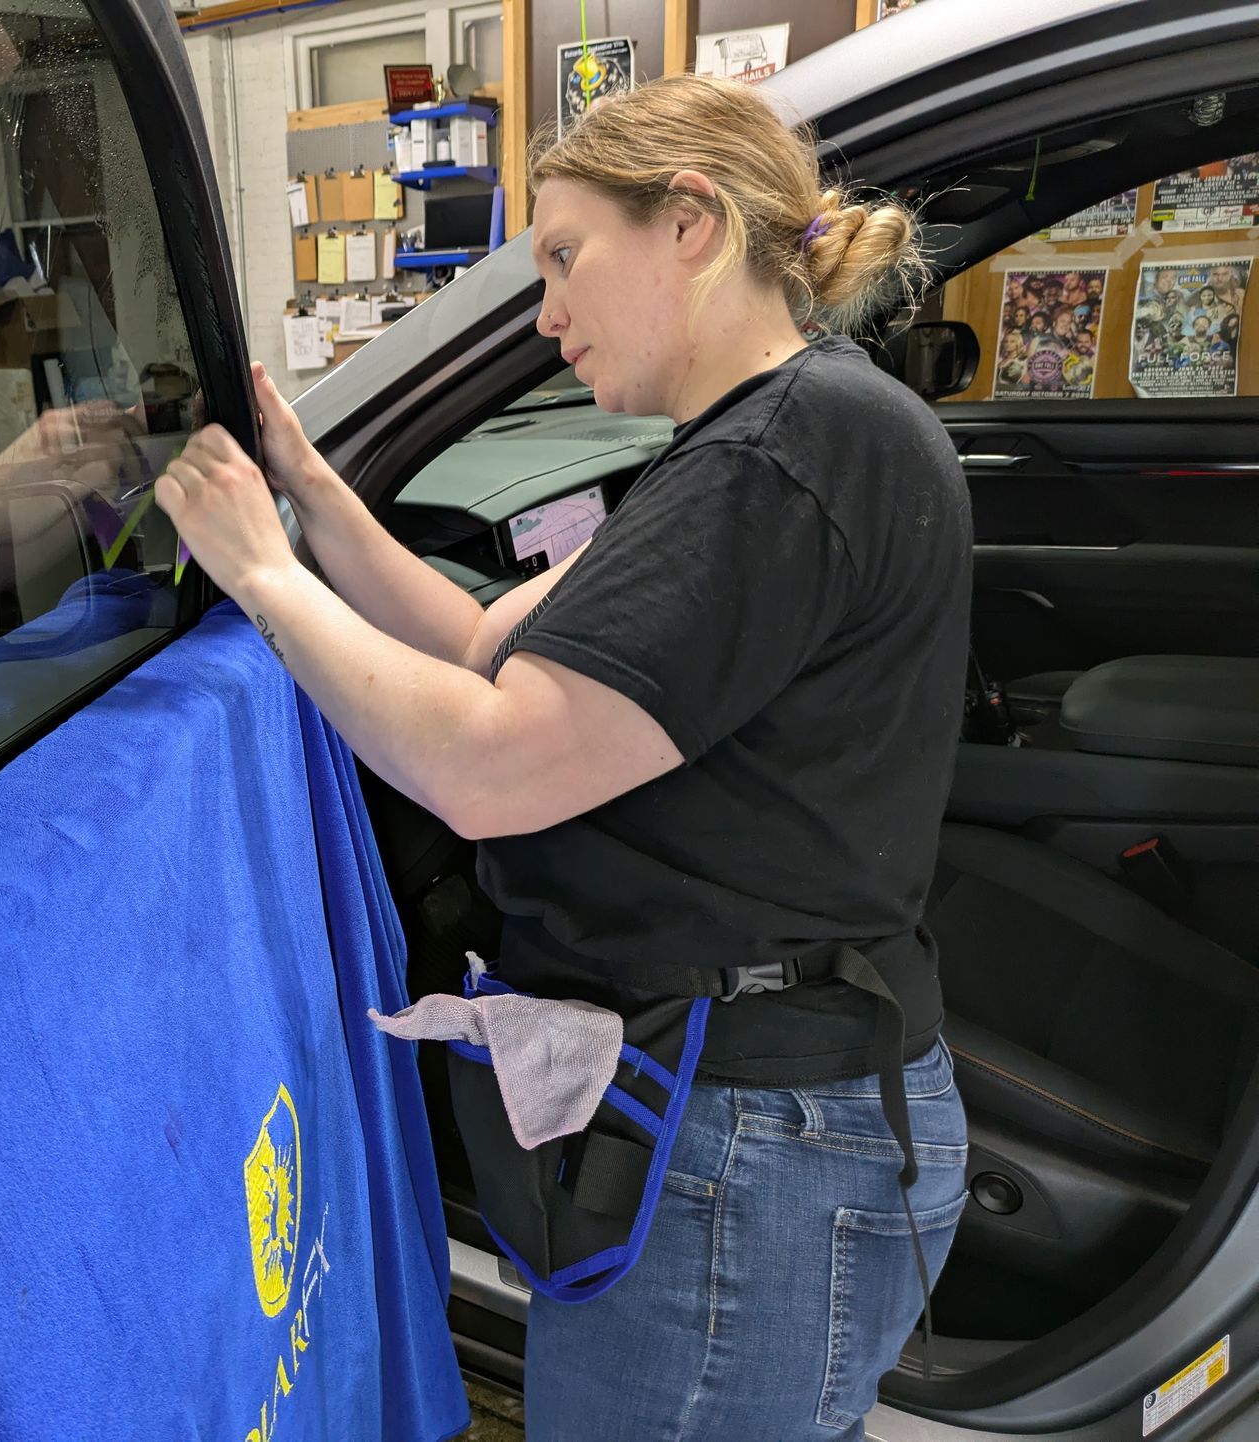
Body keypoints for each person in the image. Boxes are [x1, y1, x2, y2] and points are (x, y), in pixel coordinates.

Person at [155, 73, 970, 1440]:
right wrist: (308, 488)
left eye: (564, 257)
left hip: (746, 1154)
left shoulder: (777, 461)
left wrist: (259, 580)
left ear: (691, 223)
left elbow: (481, 762)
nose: (547, 314)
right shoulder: (771, 437)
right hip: (763, 1130)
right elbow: (482, 640)